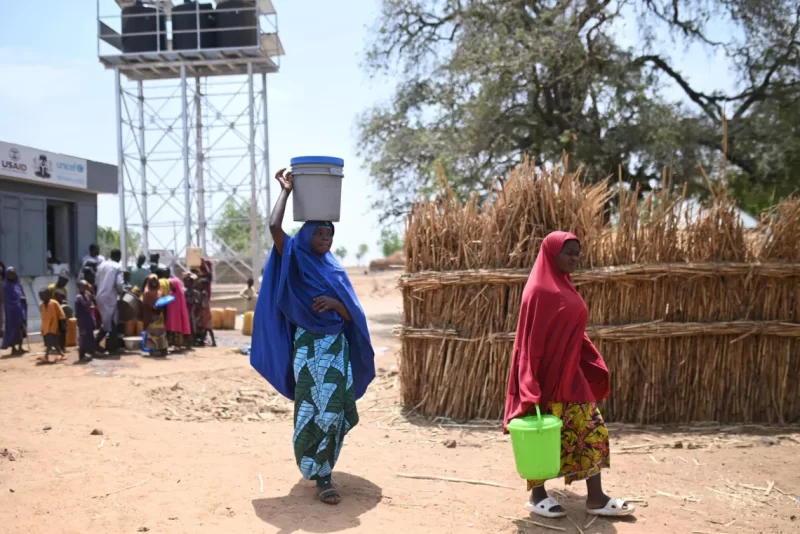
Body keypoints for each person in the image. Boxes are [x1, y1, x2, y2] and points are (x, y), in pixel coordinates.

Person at [250, 168, 375, 505]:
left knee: (333, 412)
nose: (325, 239)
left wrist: (335, 303)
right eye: (320, 233)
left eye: (329, 235)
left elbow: (353, 316)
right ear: (307, 235)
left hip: (336, 348)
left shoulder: (335, 269)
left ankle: (325, 474)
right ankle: (314, 468)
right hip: (307, 349)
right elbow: (274, 227)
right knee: (310, 411)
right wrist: (286, 191)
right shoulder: (294, 258)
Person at [504, 231, 633, 519]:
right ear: (552, 254)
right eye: (569, 253)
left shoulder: (564, 285)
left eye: (578, 253)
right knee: (542, 435)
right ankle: (538, 496)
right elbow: (530, 340)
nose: (576, 258)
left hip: (571, 375)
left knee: (591, 431)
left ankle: (596, 498)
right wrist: (529, 382)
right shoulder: (539, 290)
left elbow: (571, 331)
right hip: (546, 379)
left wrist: (589, 360)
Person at [94, 249, 125, 353]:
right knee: (111, 321)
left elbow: (96, 282)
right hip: (110, 296)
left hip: (100, 296)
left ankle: (110, 346)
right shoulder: (117, 267)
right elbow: (119, 284)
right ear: (119, 256)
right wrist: (122, 292)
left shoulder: (101, 265)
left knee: (108, 321)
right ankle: (97, 344)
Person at [2, 267, 27, 356]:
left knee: (21, 328)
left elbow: (21, 294)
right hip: (11, 311)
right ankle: (13, 348)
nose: (12, 275)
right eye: (10, 273)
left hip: (21, 309)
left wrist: (23, 300)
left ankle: (20, 347)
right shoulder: (5, 285)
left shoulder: (18, 283)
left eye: (13, 273)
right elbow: (7, 300)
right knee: (12, 328)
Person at [141, 274, 168, 356]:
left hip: (160, 316)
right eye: (152, 281)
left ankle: (162, 348)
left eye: (155, 281)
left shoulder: (160, 291)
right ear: (149, 282)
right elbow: (145, 306)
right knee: (152, 334)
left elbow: (164, 301)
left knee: (161, 333)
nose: (154, 282)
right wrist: (152, 308)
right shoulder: (147, 292)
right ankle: (153, 349)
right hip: (151, 317)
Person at [38, 288, 66, 363]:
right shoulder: (41, 305)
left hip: (54, 324)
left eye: (42, 295)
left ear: (48, 295)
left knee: (50, 340)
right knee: (52, 342)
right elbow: (43, 316)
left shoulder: (54, 303)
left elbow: (61, 313)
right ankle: (62, 354)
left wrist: (62, 323)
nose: (41, 297)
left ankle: (46, 356)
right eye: (40, 295)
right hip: (46, 325)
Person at [165, 277, 192, 349]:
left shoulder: (180, 294)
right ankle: (172, 344)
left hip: (178, 316)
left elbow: (182, 307)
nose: (170, 286)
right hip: (171, 316)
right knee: (171, 330)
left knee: (178, 330)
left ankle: (179, 345)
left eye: (171, 284)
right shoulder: (170, 293)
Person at [74, 280, 96, 363]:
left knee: (89, 336)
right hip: (82, 320)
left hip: (88, 319)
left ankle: (89, 352)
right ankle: (81, 355)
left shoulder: (86, 295)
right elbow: (86, 306)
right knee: (83, 338)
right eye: (85, 286)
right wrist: (90, 306)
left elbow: (92, 304)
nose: (86, 288)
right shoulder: (79, 297)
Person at [193, 278, 215, 347]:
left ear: (203, 285)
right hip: (206, 311)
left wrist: (196, 303)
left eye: (200, 284)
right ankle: (208, 341)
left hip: (204, 311)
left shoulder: (203, 293)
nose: (198, 285)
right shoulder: (203, 292)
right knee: (207, 327)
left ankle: (210, 341)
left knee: (205, 326)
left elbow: (201, 303)